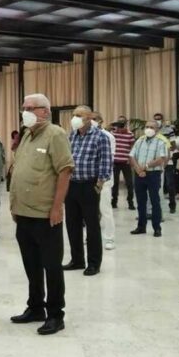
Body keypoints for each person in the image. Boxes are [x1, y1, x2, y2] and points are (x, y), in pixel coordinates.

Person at [9, 93, 73, 336]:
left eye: (30, 108)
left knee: (51, 266)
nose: (25, 111)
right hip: (23, 213)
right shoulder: (26, 134)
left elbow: (65, 171)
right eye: (23, 107)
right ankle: (35, 307)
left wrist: (57, 207)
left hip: (46, 215)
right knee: (31, 264)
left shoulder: (55, 134)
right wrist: (14, 205)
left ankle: (56, 314)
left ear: (45, 111)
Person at [63, 106, 111, 276]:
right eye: (74, 115)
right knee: (72, 224)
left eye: (79, 115)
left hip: (89, 186)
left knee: (92, 226)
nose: (75, 118)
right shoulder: (71, 136)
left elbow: (105, 162)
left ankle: (93, 263)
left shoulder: (100, 137)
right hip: (72, 185)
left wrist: (99, 184)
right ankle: (77, 260)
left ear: (89, 117)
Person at [129, 120, 168, 237]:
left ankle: (157, 228)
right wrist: (137, 169)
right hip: (139, 174)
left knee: (155, 201)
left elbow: (161, 158)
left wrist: (145, 167)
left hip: (153, 174)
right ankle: (141, 226)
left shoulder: (161, 142)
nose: (148, 129)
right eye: (147, 127)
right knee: (141, 202)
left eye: (151, 127)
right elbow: (131, 156)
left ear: (156, 130)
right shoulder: (139, 141)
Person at [92, 112, 117, 251]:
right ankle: (89, 236)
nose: (91, 121)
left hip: (104, 179)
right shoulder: (85, 135)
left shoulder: (108, 136)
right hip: (88, 179)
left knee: (105, 210)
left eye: (94, 119)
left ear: (100, 121)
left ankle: (109, 238)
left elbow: (108, 160)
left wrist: (100, 179)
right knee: (90, 212)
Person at [111, 118, 136, 210]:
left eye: (122, 124)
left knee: (129, 183)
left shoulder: (130, 134)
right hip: (115, 162)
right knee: (115, 183)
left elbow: (133, 147)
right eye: (119, 124)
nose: (120, 127)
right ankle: (114, 201)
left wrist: (131, 158)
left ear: (126, 124)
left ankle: (130, 202)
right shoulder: (113, 133)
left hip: (126, 162)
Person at [165, 127, 179, 214]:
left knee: (170, 184)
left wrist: (172, 140)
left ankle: (172, 205)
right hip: (159, 163)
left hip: (170, 162)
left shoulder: (177, 139)